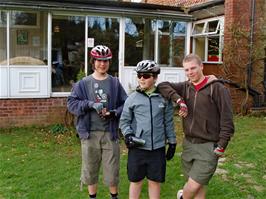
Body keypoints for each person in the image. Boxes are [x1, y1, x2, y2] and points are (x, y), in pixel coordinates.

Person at [157, 54, 235, 199]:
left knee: (192, 186)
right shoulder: (186, 87)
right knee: (199, 188)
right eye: (186, 70)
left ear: (201, 66)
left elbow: (227, 119)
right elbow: (162, 86)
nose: (190, 72)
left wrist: (222, 144)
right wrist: (179, 100)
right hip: (189, 144)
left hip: (208, 146)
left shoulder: (217, 89)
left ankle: (182, 196)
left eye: (193, 68)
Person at [67, 45, 127, 199]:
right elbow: (72, 104)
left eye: (106, 60)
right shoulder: (83, 83)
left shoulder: (114, 83)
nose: (103, 64)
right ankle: (92, 197)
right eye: (99, 60)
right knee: (90, 169)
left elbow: (125, 104)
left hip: (110, 134)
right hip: (90, 134)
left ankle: (114, 197)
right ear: (93, 62)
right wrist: (89, 104)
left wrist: (113, 113)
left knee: (112, 170)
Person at [119, 60, 177, 199]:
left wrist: (172, 142)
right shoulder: (132, 99)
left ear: (155, 77)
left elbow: (168, 122)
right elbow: (124, 121)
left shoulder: (164, 99)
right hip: (137, 148)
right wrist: (128, 135)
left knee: (155, 182)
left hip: (157, 148)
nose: (141, 79)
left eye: (146, 76)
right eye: (139, 75)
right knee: (136, 181)